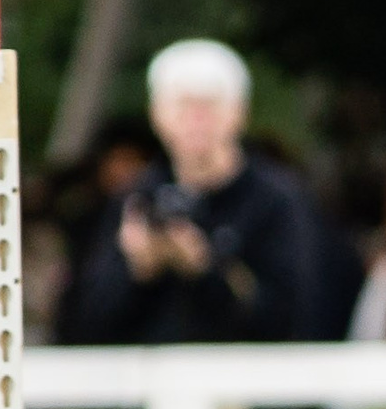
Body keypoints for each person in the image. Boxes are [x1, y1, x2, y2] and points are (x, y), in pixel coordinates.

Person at [61, 40, 354, 352]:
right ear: (157, 115)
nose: (196, 120)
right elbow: (84, 323)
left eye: (209, 105)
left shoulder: (277, 199)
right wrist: (138, 271)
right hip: (147, 387)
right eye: (183, 105)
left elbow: (296, 317)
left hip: (246, 389)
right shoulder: (136, 198)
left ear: (239, 112)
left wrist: (206, 270)